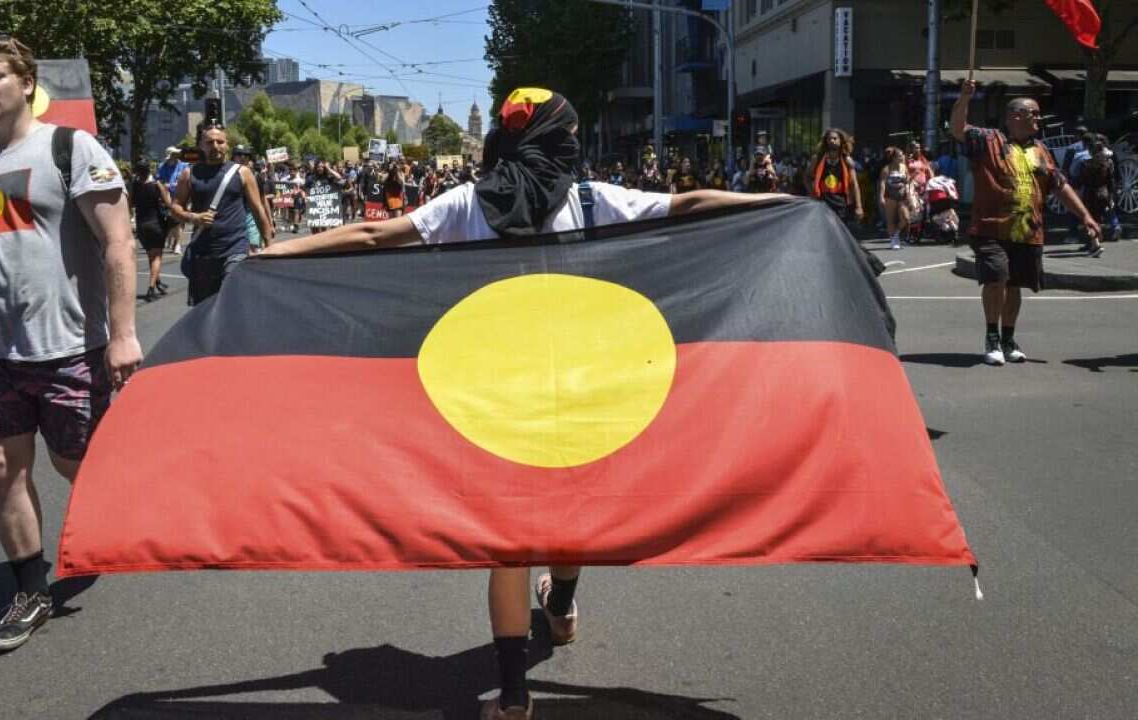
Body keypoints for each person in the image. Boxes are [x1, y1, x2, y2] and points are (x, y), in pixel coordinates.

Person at [261, 87, 788, 720]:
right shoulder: (594, 199)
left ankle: (513, 698)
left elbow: (375, 235)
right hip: (581, 387)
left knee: (508, 543)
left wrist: (275, 252)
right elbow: (691, 205)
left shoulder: (468, 203)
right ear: (560, 143)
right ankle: (561, 610)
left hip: (492, 395)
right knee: (566, 514)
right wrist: (783, 203)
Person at [0, 34, 141, 653]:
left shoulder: (69, 148)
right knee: (3, 466)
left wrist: (123, 335)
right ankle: (30, 589)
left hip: (70, 348)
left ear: (26, 84)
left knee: (78, 464)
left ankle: (121, 518)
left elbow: (118, 242)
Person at [950, 80, 1101, 366]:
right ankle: (992, 337)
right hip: (990, 228)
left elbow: (1060, 186)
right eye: (1034, 114)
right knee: (996, 277)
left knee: (1016, 284)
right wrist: (964, 99)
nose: (1039, 119)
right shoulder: (988, 139)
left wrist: (1086, 217)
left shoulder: (1041, 150)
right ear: (1016, 115)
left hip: (1028, 231)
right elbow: (958, 129)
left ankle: (1008, 338)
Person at [170, 127, 272, 305]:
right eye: (209, 142)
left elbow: (258, 209)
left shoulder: (242, 173)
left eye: (220, 142)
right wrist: (194, 217)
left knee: (233, 302)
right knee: (204, 311)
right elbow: (175, 208)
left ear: (227, 145)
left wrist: (269, 245)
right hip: (203, 254)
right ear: (202, 145)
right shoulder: (189, 174)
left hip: (235, 250)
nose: (215, 146)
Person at [129, 160, 171, 301]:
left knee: (150, 255)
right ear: (149, 170)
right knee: (157, 256)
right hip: (156, 224)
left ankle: (157, 281)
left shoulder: (134, 186)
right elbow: (168, 203)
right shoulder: (156, 185)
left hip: (142, 225)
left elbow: (130, 203)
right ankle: (151, 289)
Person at [811, 128, 864, 227]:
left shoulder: (847, 160)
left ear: (841, 141)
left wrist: (859, 206)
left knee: (839, 233)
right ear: (826, 141)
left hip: (841, 203)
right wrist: (812, 192)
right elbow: (807, 177)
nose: (832, 141)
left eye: (835, 138)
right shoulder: (817, 158)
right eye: (829, 139)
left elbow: (854, 184)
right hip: (822, 202)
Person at [878, 147, 912, 250]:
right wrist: (881, 197)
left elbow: (907, 181)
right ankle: (893, 240)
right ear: (894, 158)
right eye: (900, 156)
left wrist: (909, 193)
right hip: (890, 197)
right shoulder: (886, 169)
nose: (902, 157)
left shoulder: (904, 167)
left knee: (906, 218)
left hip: (902, 197)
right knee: (890, 220)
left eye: (902, 155)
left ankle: (897, 233)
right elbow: (882, 184)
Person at [157, 147, 188, 254]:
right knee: (170, 222)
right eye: (172, 155)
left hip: (180, 196)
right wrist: (163, 184)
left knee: (179, 221)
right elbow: (159, 180)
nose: (174, 157)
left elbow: (187, 179)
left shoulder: (184, 166)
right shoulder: (162, 166)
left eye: (175, 155)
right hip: (166, 197)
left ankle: (178, 244)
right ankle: (172, 240)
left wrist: (178, 184)